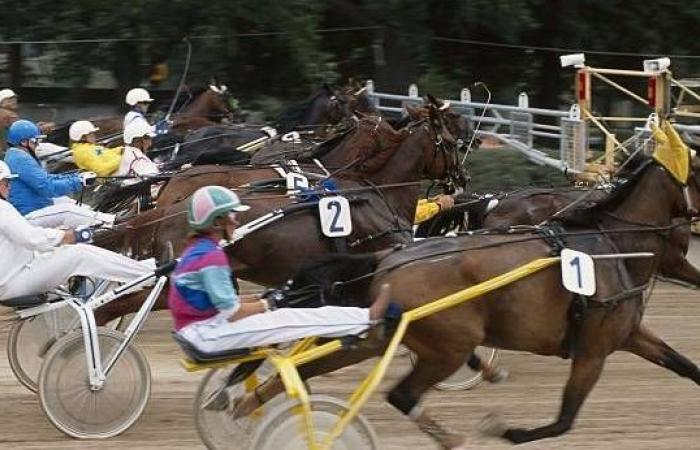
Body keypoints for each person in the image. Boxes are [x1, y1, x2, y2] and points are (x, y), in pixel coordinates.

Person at [168, 185, 392, 352]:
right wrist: (269, 303)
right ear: (217, 222)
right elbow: (231, 311)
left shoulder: (197, 250)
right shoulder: (211, 257)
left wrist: (259, 297)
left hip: (198, 329)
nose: (236, 222)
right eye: (232, 216)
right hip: (206, 335)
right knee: (293, 319)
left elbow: (220, 303)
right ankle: (366, 318)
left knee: (286, 315)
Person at [0, 160, 154, 300]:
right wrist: (71, 236)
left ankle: (142, 269)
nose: (10, 187)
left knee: (68, 249)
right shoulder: (2, 208)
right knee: (80, 254)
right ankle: (148, 274)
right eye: (6, 182)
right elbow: (32, 238)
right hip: (13, 281)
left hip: (14, 274)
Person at [4, 119, 115, 228]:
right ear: (24, 142)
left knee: (72, 204)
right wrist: (80, 181)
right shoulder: (20, 159)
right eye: (35, 141)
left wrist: (75, 176)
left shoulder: (17, 156)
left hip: (38, 204)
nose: (38, 144)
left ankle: (100, 220)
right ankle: (114, 223)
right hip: (29, 215)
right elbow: (48, 187)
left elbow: (47, 178)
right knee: (68, 211)